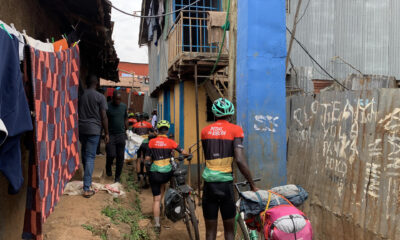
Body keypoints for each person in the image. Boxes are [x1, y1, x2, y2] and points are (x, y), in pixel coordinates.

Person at [201, 98, 258, 240]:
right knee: (229, 231)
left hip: (209, 185)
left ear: (214, 114)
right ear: (230, 114)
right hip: (225, 185)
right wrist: (252, 184)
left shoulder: (205, 131)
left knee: (210, 232)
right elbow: (239, 159)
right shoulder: (236, 130)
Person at [145, 120, 189, 233]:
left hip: (154, 173)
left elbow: (147, 159)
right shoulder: (171, 142)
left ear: (158, 130)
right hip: (166, 173)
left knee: (156, 199)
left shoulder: (151, 142)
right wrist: (187, 154)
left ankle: (157, 224)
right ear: (167, 130)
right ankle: (166, 205)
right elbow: (183, 152)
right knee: (164, 184)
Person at [78, 74, 109, 198]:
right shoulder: (100, 97)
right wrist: (106, 133)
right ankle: (86, 188)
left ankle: (87, 180)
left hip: (81, 128)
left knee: (85, 154)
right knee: (90, 157)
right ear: (97, 84)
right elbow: (104, 116)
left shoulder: (82, 95)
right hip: (94, 130)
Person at [105, 91, 129, 183]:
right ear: (112, 98)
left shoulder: (123, 106)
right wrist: (106, 133)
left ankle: (117, 177)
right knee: (111, 154)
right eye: (116, 99)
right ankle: (108, 166)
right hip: (111, 134)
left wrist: (127, 129)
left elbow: (125, 118)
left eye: (119, 99)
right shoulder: (107, 106)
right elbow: (104, 119)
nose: (118, 101)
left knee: (120, 157)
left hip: (121, 134)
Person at [133, 112, 155, 187]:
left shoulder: (135, 125)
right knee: (146, 160)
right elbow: (154, 133)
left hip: (138, 143)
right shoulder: (148, 124)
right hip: (146, 143)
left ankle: (139, 176)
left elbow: (131, 135)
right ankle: (145, 176)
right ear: (146, 118)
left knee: (138, 160)